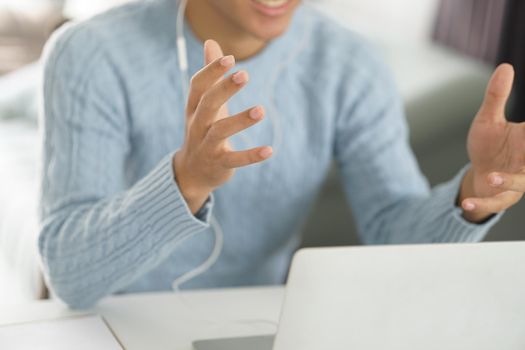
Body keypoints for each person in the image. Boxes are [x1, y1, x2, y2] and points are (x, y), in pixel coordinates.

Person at [39, 0, 525, 309]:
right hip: (112, 322)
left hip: (264, 323)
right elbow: (69, 274)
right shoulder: (91, 52)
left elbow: (394, 232)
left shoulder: (349, 63)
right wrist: (186, 179)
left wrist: (472, 195)